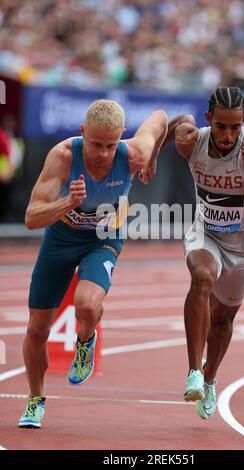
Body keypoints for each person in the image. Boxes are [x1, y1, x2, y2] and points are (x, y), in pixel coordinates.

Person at [19, 99, 168, 428]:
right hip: (61, 238)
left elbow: (159, 118)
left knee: (86, 304)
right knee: (37, 328)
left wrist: (152, 159)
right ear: (82, 132)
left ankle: (85, 341)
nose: (103, 153)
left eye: (110, 145)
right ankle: (35, 399)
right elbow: (31, 218)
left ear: (122, 137)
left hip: (104, 237)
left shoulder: (133, 155)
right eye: (96, 144)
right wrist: (67, 202)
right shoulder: (63, 156)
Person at [168, 87, 244, 419]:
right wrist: (148, 159)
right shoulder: (193, 141)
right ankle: (193, 371)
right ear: (209, 120)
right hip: (205, 234)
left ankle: (209, 377)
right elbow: (170, 125)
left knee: (223, 321)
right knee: (201, 278)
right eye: (221, 126)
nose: (227, 135)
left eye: (235, 127)